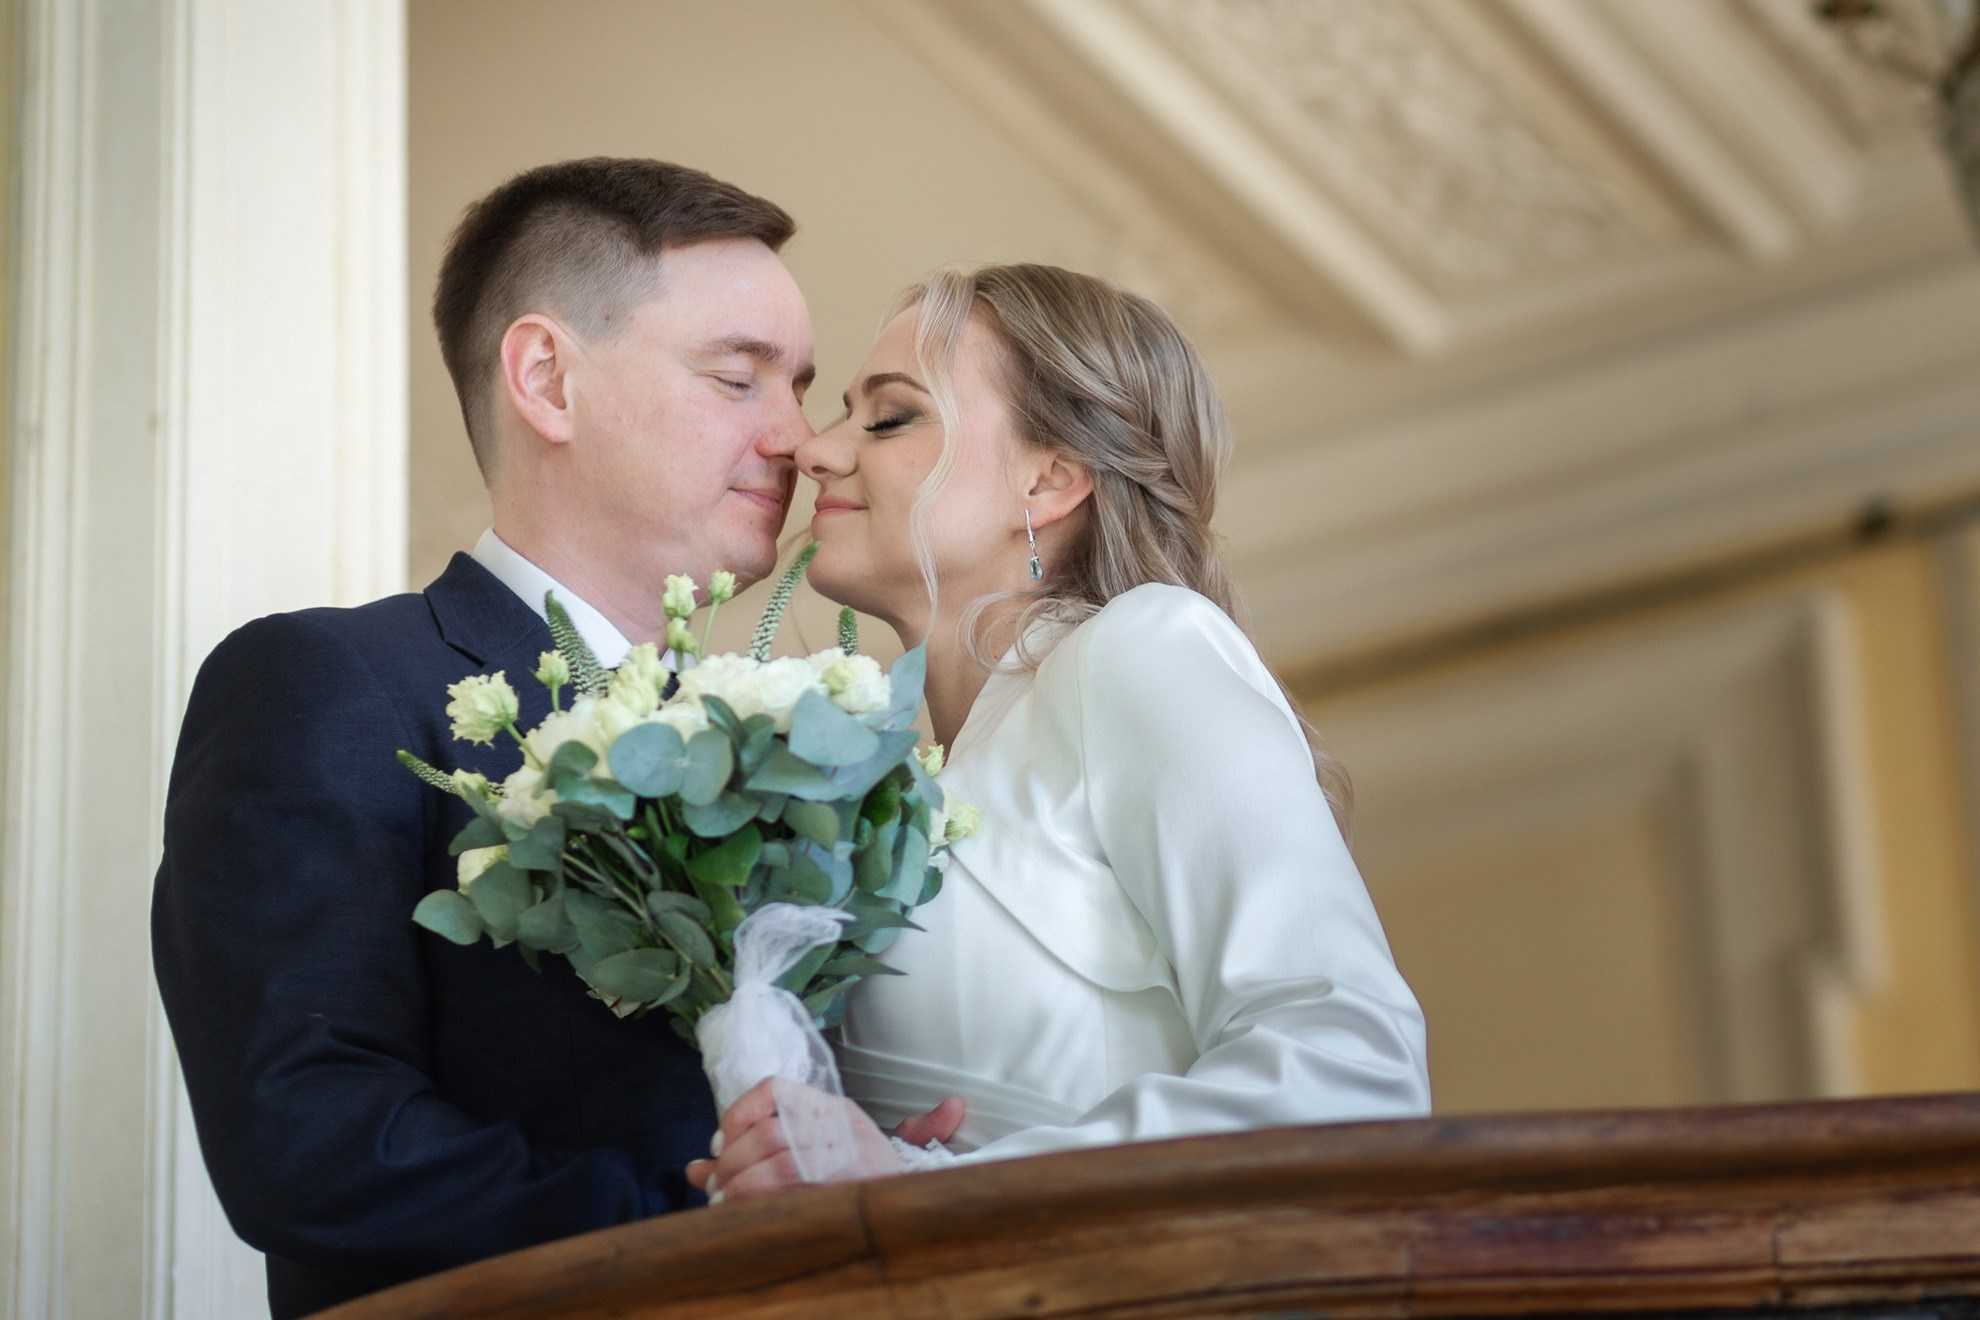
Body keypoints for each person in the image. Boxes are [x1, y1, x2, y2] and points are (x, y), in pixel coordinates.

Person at [151, 157, 957, 1318]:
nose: (799, 438)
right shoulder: (333, 685)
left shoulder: (792, 743)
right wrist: (724, 1235)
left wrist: (883, 1167)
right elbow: (314, 1140)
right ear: (546, 379)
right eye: (739, 378)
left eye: (802, 386)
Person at [690, 263, 1430, 1202]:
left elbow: (1352, 1070)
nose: (815, 451)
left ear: (1048, 481)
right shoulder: (885, 785)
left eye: (890, 418)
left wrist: (933, 1188)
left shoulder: (1139, 649)